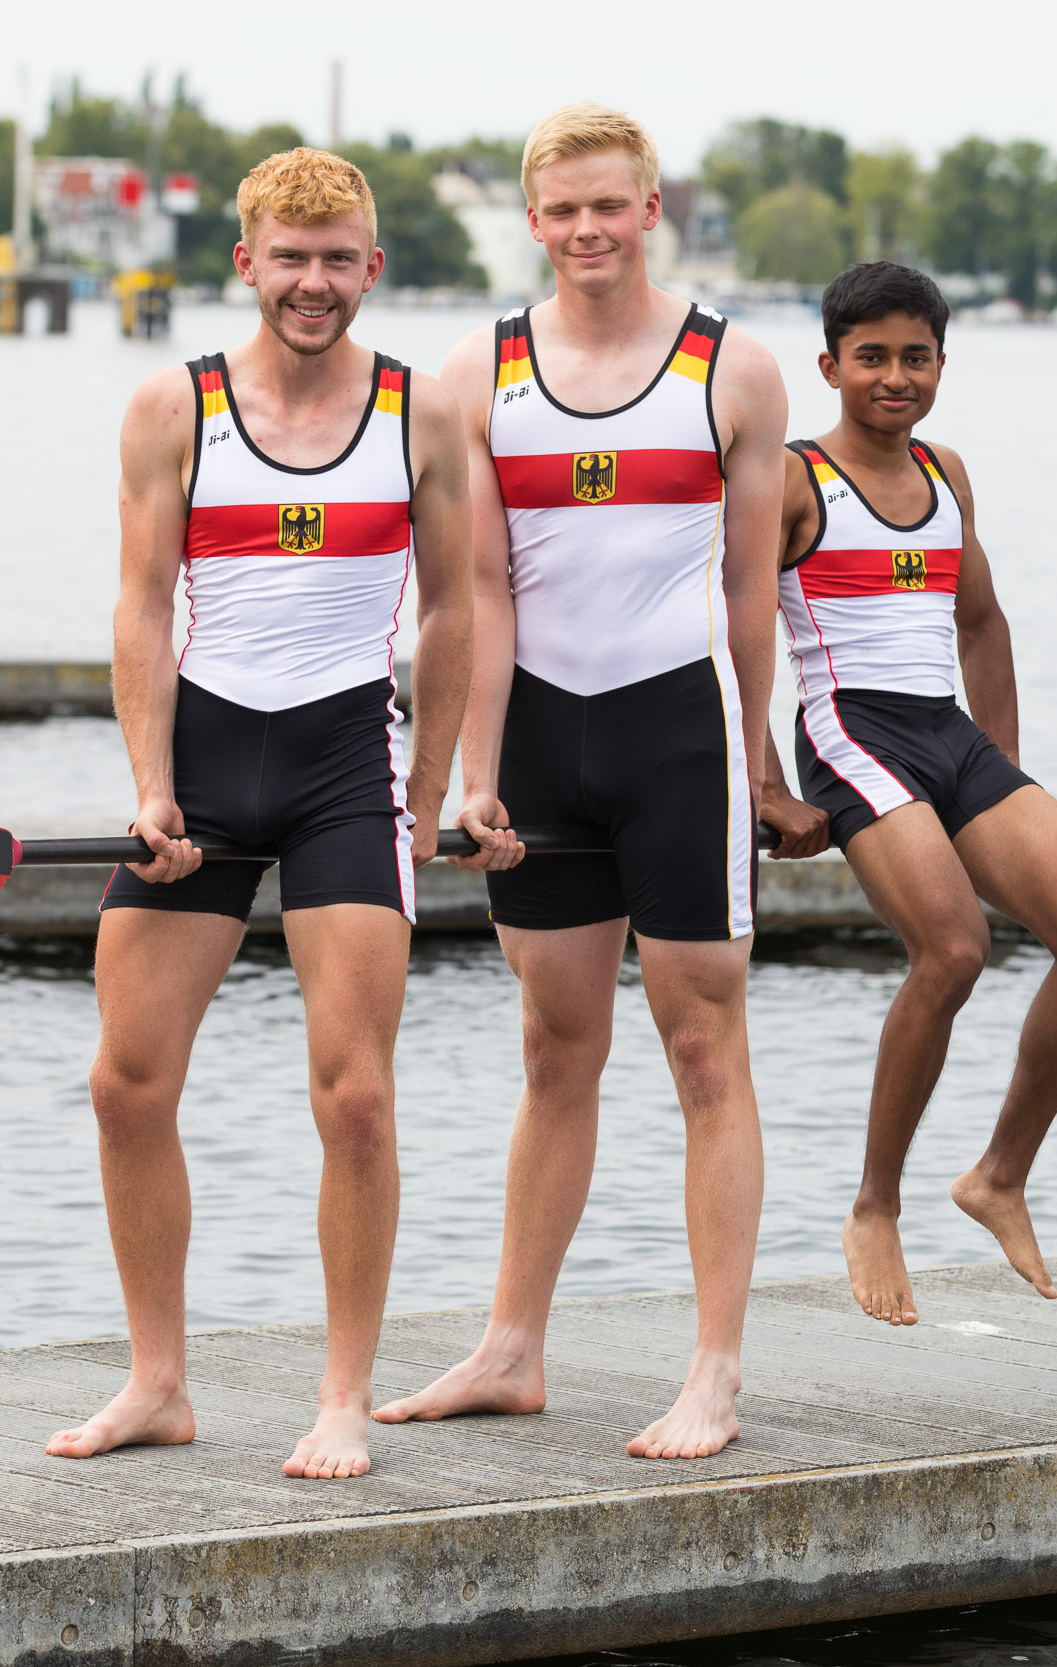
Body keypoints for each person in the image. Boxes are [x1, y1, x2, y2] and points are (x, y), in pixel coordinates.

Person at [371, 103, 794, 1460]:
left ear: (650, 207)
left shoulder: (733, 368)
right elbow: (480, 589)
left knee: (702, 1046)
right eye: (562, 212)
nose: (586, 231)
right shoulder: (473, 372)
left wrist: (765, 759)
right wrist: (474, 772)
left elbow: (747, 592)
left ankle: (714, 1369)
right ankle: (511, 1345)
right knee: (554, 1048)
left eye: (610, 206)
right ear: (535, 220)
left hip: (683, 734)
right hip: (547, 740)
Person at [46, 148, 476, 1478]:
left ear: (372, 266)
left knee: (353, 1095)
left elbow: (459, 609)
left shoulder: (423, 413)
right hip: (208, 766)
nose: (313, 283)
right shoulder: (173, 407)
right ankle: (158, 1380)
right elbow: (141, 604)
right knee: (126, 1082)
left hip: (349, 765)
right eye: (290, 258)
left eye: (339, 258)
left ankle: (342, 1393)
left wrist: (425, 793)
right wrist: (151, 785)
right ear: (246, 262)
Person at [769, 261, 1057, 1327]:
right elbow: (740, 633)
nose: (894, 376)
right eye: (871, 356)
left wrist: (1004, 785)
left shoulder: (947, 472)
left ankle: (997, 1175)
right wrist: (761, 784)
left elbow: (981, 624)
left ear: (940, 364)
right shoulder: (795, 480)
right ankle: (874, 1202)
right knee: (955, 948)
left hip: (950, 733)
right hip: (849, 728)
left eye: (914, 356)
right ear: (830, 364)